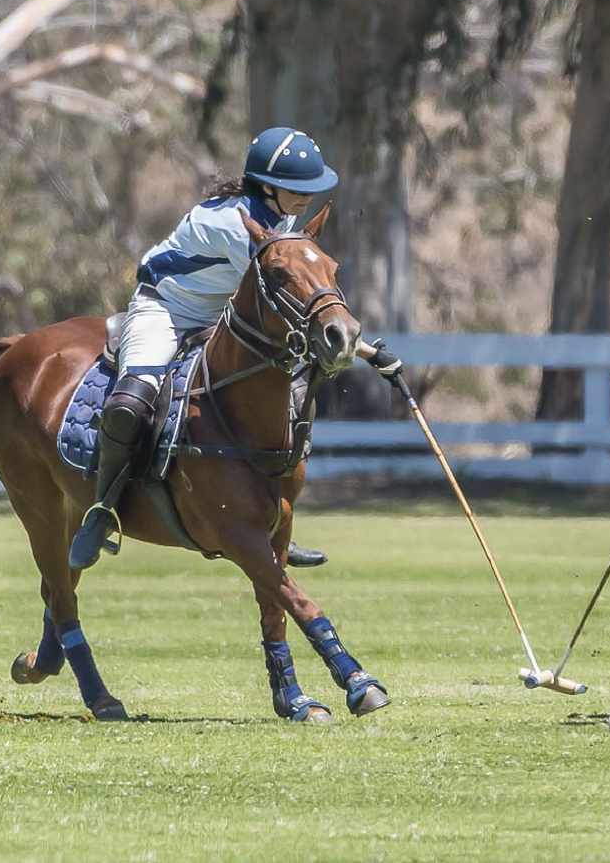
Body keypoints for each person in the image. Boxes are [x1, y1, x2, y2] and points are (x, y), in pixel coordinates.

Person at [69, 127, 402, 571]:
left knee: (288, 394)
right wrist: (366, 353)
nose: (307, 197)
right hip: (166, 310)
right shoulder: (234, 223)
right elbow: (284, 292)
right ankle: (101, 510)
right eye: (297, 189)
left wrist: (368, 350)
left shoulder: (278, 219)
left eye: (312, 188)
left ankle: (275, 525)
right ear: (267, 186)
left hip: (218, 317)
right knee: (133, 399)